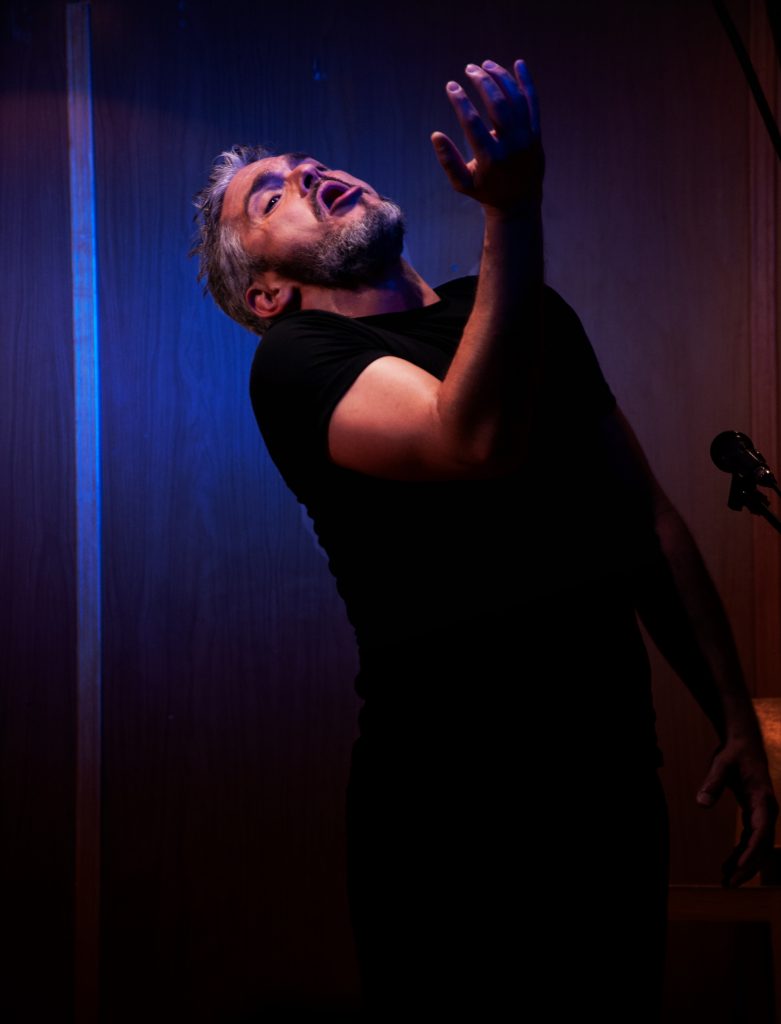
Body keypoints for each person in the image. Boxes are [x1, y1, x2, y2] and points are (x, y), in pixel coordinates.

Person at [193, 58, 777, 1018]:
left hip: (606, 781)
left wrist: (732, 719)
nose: (306, 175)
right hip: (446, 809)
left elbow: (644, 522)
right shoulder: (297, 362)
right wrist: (512, 212)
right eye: (271, 195)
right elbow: (469, 438)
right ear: (265, 294)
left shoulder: (527, 311)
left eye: (308, 164)